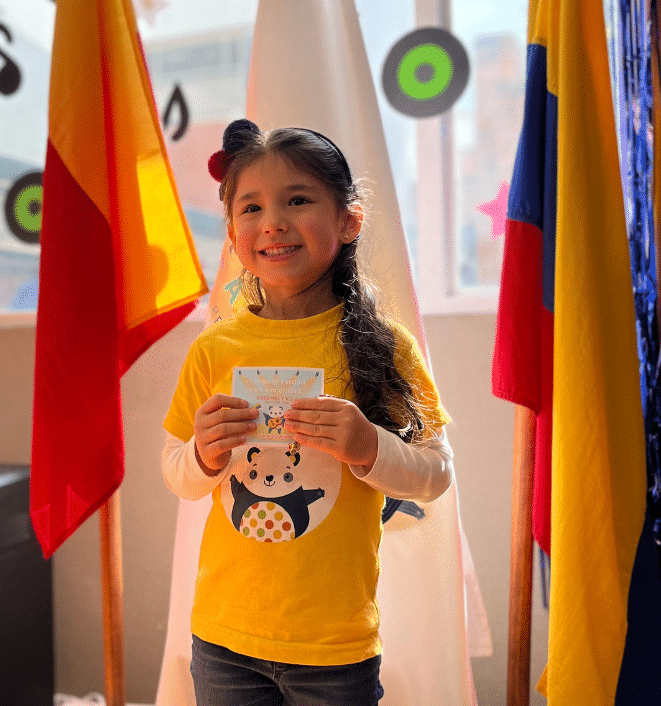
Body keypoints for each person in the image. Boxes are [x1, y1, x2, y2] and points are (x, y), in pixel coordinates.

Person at [162, 119, 454, 706]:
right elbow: (176, 472)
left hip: (335, 648)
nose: (272, 222)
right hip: (223, 638)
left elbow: (436, 474)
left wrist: (369, 447)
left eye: (297, 200)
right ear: (232, 233)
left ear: (348, 221)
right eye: (251, 207)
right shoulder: (215, 348)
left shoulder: (386, 346)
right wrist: (202, 455)